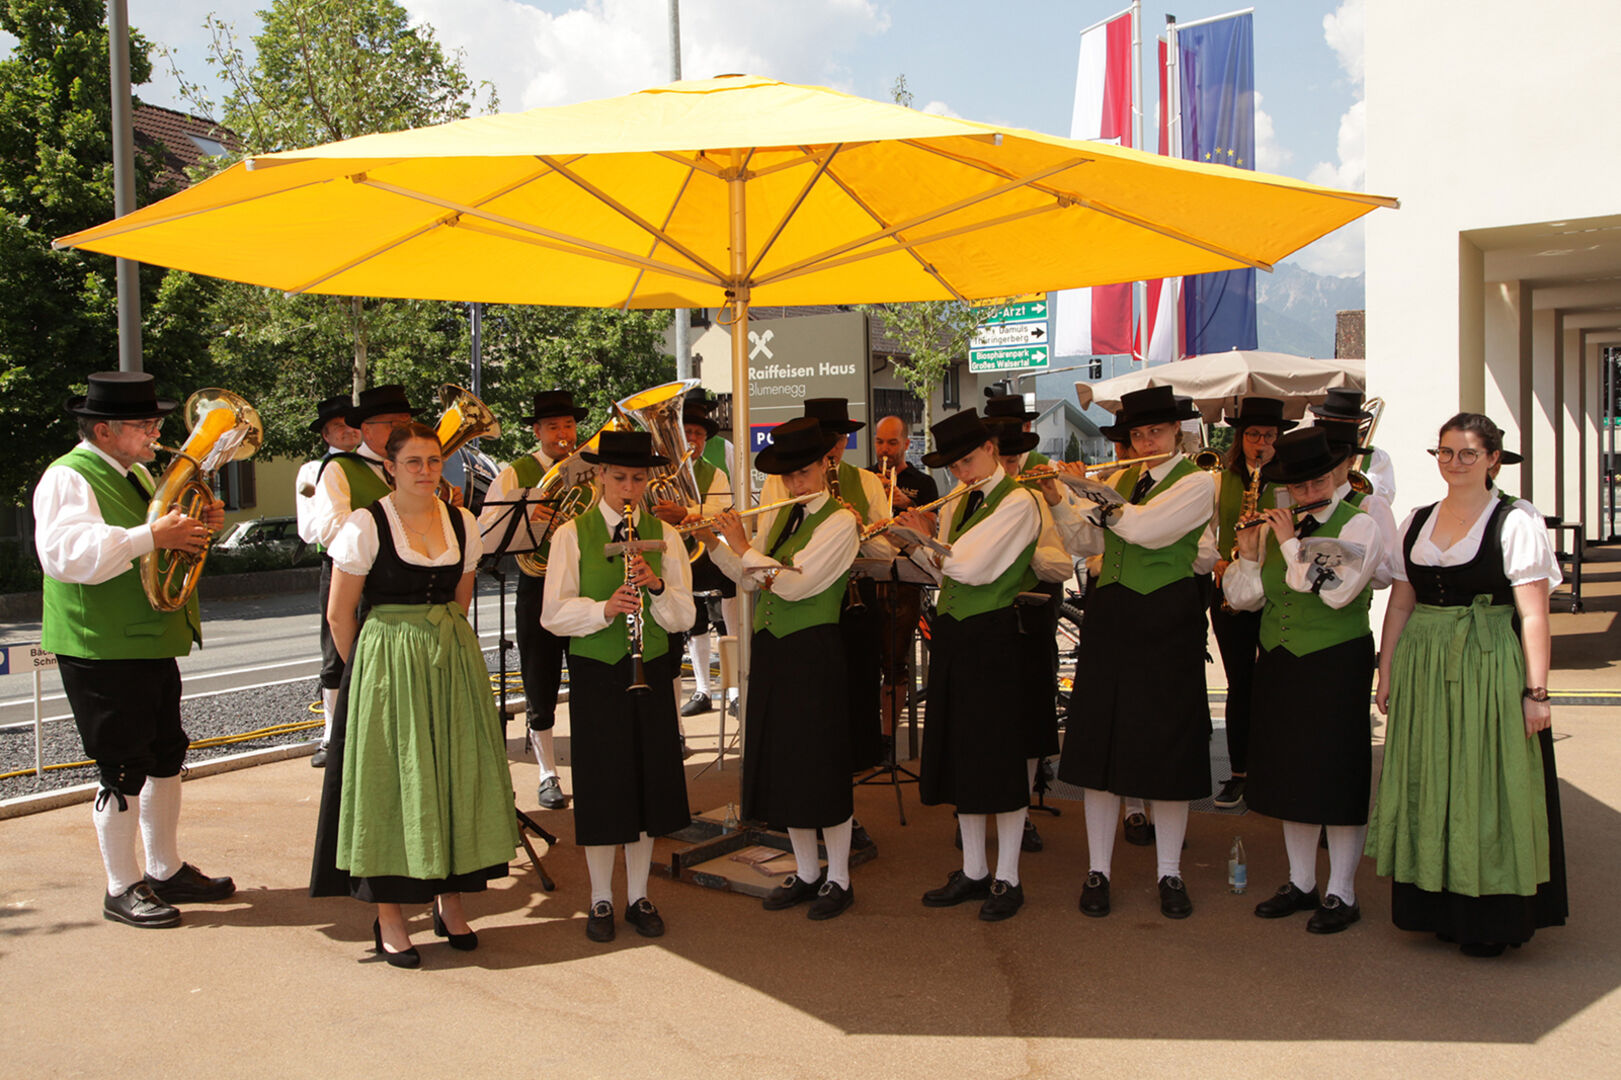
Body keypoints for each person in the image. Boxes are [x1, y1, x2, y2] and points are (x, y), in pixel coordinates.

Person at [309, 423, 518, 968]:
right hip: (387, 664)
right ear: (390, 468)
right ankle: (391, 918)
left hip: (450, 659)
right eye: (413, 462)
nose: (426, 471)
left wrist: (441, 649)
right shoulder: (366, 523)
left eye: (433, 461)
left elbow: (460, 600)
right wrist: (371, 675)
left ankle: (451, 903)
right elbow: (339, 615)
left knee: (452, 775)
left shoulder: (462, 522)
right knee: (394, 784)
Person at [36, 371, 235, 928]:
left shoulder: (141, 474)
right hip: (99, 645)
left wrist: (197, 526)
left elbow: (155, 540)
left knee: (166, 754)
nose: (156, 433)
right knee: (122, 766)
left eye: (154, 423)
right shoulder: (68, 476)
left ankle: (164, 868)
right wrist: (155, 535)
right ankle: (121, 886)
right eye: (144, 424)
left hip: (145, 638)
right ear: (104, 430)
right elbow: (66, 555)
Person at [1366, 412, 1567, 958]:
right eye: (1446, 452)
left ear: (1493, 459)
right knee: (1431, 775)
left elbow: (1534, 615)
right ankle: (1435, 906)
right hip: (1425, 664)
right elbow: (1400, 604)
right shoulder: (1417, 520)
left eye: (1468, 453)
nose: (1455, 463)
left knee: (1485, 778)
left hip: (1488, 661)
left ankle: (1489, 916)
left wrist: (1536, 693)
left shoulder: (1515, 521)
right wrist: (1387, 670)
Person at [1051, 386, 1215, 920]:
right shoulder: (1121, 482)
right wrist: (1059, 497)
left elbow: (1146, 528)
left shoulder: (1197, 482)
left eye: (1155, 432)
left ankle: (1170, 871)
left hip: (1166, 618)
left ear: (1177, 432)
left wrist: (1095, 499)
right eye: (1138, 434)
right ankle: (1098, 869)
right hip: (1114, 615)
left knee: (1166, 745)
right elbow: (1085, 544)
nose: (1146, 442)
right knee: (1101, 747)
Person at [699, 417, 862, 920]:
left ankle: (839, 878)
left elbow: (793, 583)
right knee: (789, 764)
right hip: (774, 649)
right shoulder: (783, 517)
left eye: (803, 472)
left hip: (813, 650)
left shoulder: (840, 521)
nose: (795, 483)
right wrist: (715, 544)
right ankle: (808, 873)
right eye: (788, 475)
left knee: (821, 766)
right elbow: (750, 581)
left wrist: (743, 547)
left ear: (825, 467)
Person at [1222, 428, 1382, 935]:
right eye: (1298, 485)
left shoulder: (1360, 524)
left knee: (1335, 774)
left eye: (1317, 482)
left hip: (1335, 661)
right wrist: (1250, 553)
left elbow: (1334, 592)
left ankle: (1343, 892)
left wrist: (1289, 543)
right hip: (1280, 659)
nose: (1309, 492)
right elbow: (1244, 599)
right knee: (1292, 773)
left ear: (1334, 476)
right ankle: (1301, 882)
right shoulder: (1278, 527)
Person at [542, 430, 695, 943]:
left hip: (649, 667)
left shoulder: (666, 535)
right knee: (603, 785)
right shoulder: (571, 534)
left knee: (647, 784)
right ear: (601, 476)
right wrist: (603, 609)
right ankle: (600, 897)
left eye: (637, 479)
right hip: (598, 672)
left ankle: (639, 895)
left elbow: (683, 616)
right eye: (620, 477)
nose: (628, 488)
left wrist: (656, 586)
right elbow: (552, 614)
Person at [896, 409, 1041, 922]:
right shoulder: (962, 500)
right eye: (954, 467)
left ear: (991, 450)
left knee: (998, 758)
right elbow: (944, 572)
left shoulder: (1018, 502)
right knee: (965, 756)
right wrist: (917, 543)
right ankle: (975, 870)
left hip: (993, 636)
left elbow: (971, 568)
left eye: (968, 461)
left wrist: (926, 540)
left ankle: (1009, 878)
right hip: (956, 633)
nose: (961, 473)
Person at [478, 389, 588, 811]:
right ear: (537, 431)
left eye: (569, 425)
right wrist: (528, 515)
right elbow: (487, 530)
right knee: (540, 679)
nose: (563, 433)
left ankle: (592, 763)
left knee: (589, 676)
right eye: (554, 426)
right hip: (537, 585)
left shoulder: (589, 467)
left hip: (585, 584)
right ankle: (547, 773)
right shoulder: (516, 472)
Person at [307, 385, 424, 768]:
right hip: (353, 578)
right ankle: (338, 738)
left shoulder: (409, 467)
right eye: (394, 423)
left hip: (402, 586)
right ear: (368, 430)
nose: (403, 429)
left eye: (406, 422)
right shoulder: (339, 468)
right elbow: (330, 530)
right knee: (343, 661)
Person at [1208, 397, 1295, 811]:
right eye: (1254, 435)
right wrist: (1216, 559)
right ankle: (1240, 771)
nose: (1262, 443)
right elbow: (1204, 530)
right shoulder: (1219, 479)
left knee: (1276, 683)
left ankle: (1273, 768)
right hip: (1230, 586)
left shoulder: (1291, 482)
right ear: (1240, 438)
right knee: (1240, 683)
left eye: (1270, 436)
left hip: (1277, 590)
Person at [996, 423, 1073, 855]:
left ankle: (1021, 812)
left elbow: (1062, 566)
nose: (1006, 470)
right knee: (982, 724)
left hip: (1026, 621)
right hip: (979, 626)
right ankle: (973, 810)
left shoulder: (1035, 500)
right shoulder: (965, 502)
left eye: (1011, 462)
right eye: (999, 461)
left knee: (1025, 722)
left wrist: (1028, 547)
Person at [656, 397, 738, 720]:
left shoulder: (715, 474)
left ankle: (734, 690)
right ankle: (702, 689)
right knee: (690, 619)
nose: (693, 439)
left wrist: (684, 513)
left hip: (705, 550)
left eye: (698, 434)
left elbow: (720, 510)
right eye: (687, 432)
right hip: (671, 556)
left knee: (731, 590)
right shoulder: (659, 470)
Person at [295, 394, 363, 768]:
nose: (348, 431)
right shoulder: (312, 472)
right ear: (325, 435)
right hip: (336, 562)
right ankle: (331, 734)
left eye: (352, 424)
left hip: (375, 564)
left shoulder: (376, 464)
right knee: (334, 652)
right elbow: (309, 529)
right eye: (338, 426)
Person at [868, 415, 938, 772]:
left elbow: (932, 530)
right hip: (868, 578)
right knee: (864, 661)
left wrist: (902, 504)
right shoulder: (865, 477)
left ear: (907, 444)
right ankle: (864, 737)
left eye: (892, 443)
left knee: (895, 665)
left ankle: (887, 739)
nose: (885, 450)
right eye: (880, 442)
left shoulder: (923, 483)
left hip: (904, 583)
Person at [1311, 389, 1395, 503]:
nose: (1337, 426)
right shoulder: (1311, 450)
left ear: (1358, 421)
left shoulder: (1377, 457)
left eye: (1343, 420)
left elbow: (1384, 498)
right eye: (1330, 420)